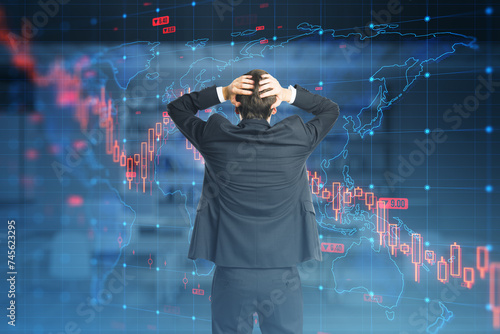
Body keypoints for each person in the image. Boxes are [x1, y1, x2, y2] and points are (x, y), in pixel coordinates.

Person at [167, 69, 340, 333]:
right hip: (282, 274)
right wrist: (287, 94)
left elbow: (178, 108)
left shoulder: (214, 136)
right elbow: (329, 110)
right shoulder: (297, 138)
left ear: (236, 107)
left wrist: (223, 92)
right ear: (274, 108)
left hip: (231, 271)